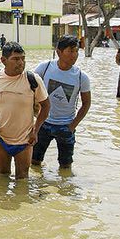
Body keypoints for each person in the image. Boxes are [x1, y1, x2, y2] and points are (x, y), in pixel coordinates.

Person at [0, 41, 50, 179]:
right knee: (2, 176)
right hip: (0, 138)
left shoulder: (32, 80)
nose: (21, 63)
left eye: (23, 58)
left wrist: (35, 130)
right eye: (15, 59)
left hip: (24, 140)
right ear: (3, 60)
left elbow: (46, 106)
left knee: (22, 178)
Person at [32, 35, 90, 169]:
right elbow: (30, 91)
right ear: (59, 52)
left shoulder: (82, 77)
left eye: (76, 51)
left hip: (66, 125)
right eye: (70, 51)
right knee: (34, 162)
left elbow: (86, 103)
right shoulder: (44, 68)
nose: (74, 55)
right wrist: (34, 116)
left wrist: (72, 126)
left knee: (66, 166)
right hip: (43, 124)